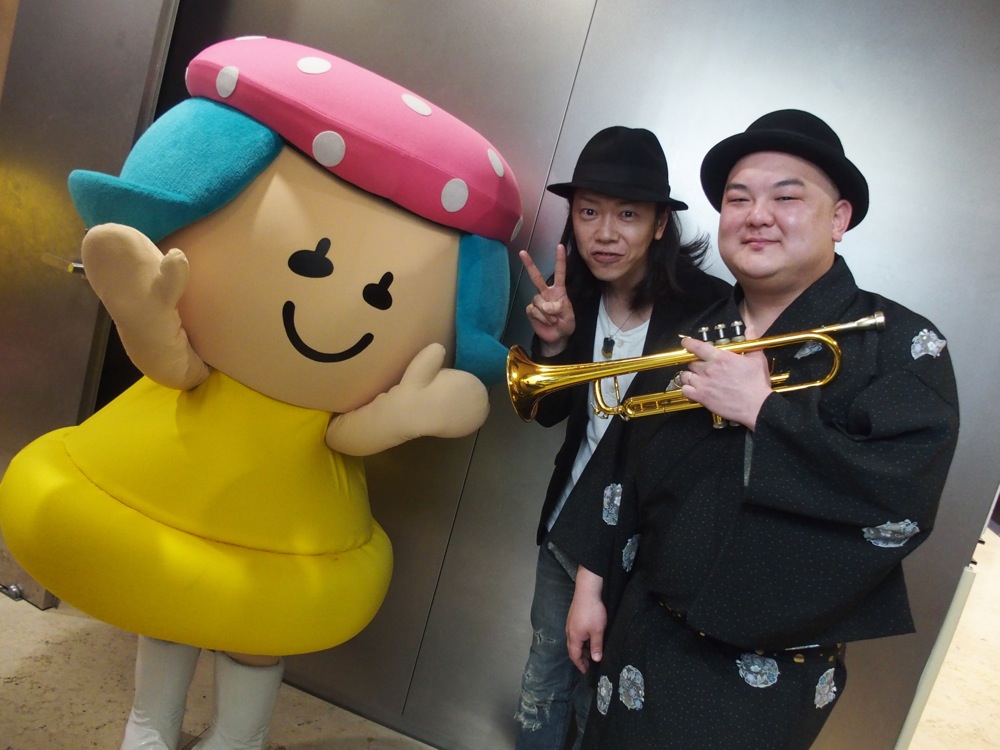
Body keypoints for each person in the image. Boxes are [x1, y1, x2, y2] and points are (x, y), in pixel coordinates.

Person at [552, 109, 961, 748]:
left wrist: (766, 413)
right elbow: (621, 462)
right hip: (641, 631)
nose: (756, 215)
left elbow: (901, 498)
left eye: (786, 198)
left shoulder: (901, 344)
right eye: (738, 199)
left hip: (766, 672)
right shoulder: (692, 332)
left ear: (839, 218)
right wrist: (590, 586)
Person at [513, 125, 731, 749]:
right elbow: (548, 414)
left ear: (660, 224)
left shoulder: (710, 308)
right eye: (589, 212)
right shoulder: (570, 295)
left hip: (647, 544)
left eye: (628, 214)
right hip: (569, 528)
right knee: (544, 681)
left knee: (610, 704)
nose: (604, 233)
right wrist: (554, 344)